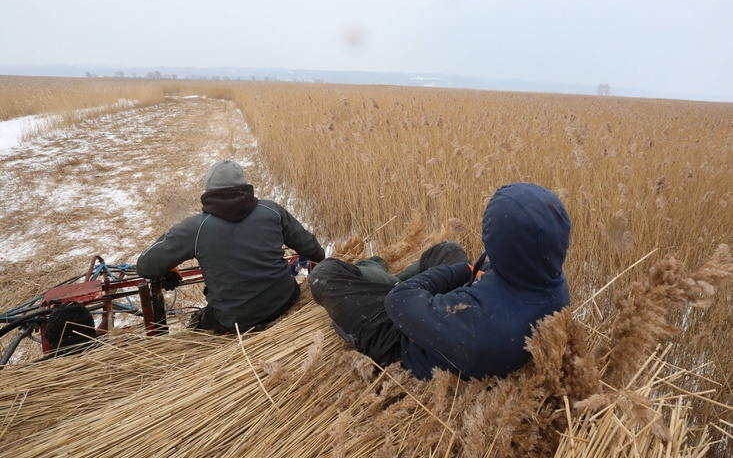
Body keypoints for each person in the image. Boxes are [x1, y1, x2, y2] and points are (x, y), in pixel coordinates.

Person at [309, 182, 571, 380]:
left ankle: (380, 275)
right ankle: (392, 280)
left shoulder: (478, 328)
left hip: (402, 341)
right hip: (460, 314)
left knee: (325, 275)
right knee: (446, 249)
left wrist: (463, 271)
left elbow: (398, 301)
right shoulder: (551, 281)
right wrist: (475, 273)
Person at [137, 160, 326, 334]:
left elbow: (145, 266)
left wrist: (169, 267)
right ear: (245, 187)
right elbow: (315, 251)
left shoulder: (195, 228)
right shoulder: (272, 210)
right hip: (286, 299)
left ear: (209, 192)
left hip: (235, 321)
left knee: (196, 324)